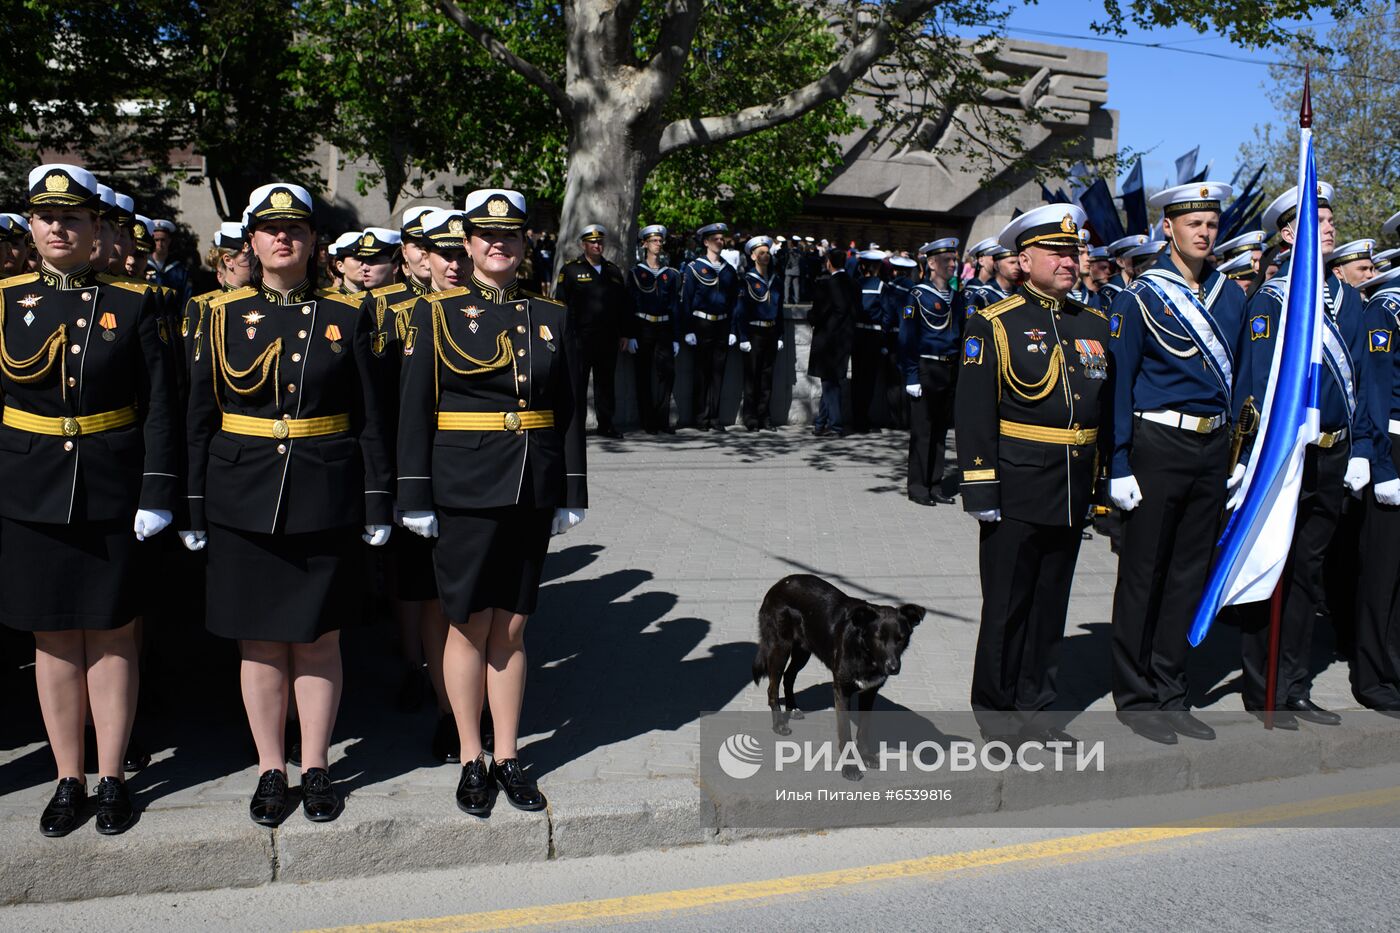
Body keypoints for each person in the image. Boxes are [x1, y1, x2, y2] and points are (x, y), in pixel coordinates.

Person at [182, 182, 393, 826]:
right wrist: (190, 506)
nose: (283, 238)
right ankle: (271, 767)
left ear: (312, 242)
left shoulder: (348, 316)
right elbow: (198, 417)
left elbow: (370, 422)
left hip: (325, 495)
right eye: (270, 230)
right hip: (240, 496)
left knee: (319, 641)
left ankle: (318, 763)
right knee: (261, 644)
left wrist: (378, 502)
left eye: (296, 230)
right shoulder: (216, 315)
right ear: (251, 242)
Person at [0, 163, 179, 835]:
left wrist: (157, 488)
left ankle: (111, 777)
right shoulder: (3, 299)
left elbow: (160, 406)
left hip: (111, 486)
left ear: (96, 228)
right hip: (27, 487)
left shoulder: (133, 302)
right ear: (31, 225)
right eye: (45, 216)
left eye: (71, 217)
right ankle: (66, 776)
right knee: (52, 637)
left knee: (109, 636)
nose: (56, 226)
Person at [396, 188, 587, 817]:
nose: (497, 244)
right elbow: (414, 413)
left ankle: (508, 754)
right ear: (468, 242)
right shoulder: (433, 314)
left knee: (513, 625)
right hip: (464, 488)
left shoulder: (551, 316)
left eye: (509, 234)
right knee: (467, 622)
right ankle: (470, 753)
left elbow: (565, 412)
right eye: (485, 235)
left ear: (525, 241)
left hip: (531, 485)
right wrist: (415, 494)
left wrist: (571, 490)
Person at [954, 204, 1112, 745]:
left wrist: (1105, 484)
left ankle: (1038, 709)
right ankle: (997, 716)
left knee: (1050, 606)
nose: (1070, 261)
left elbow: (1103, 410)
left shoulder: (1093, 324)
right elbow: (974, 411)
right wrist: (980, 484)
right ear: (1024, 259)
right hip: (1016, 484)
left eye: (1074, 252)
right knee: (1007, 606)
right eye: (1057, 253)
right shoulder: (995, 322)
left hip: (1071, 485)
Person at [1105, 183, 1247, 745]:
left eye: (1212, 223)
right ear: (1170, 228)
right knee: (1144, 574)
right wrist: (1116, 461)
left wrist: (1238, 452)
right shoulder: (1140, 297)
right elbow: (1119, 385)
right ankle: (1135, 696)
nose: (1205, 233)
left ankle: (1170, 688)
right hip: (1156, 445)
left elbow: (1244, 379)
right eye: (1194, 223)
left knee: (1189, 575)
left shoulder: (1231, 297)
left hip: (1212, 449)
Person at [1236, 182, 1369, 727]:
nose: (1331, 227)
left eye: (1333, 219)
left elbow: (1364, 381)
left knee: (1309, 576)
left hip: (1333, 456)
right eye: (1318, 219)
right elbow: (1256, 382)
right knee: (1273, 567)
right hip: (1286, 457)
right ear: (1289, 234)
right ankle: (1262, 687)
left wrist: (1360, 447)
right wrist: (1250, 456)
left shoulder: (1349, 301)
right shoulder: (1273, 300)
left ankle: (1292, 686)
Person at [1354, 261, 1400, 708]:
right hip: (1396, 445)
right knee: (1384, 571)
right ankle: (1372, 677)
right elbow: (1376, 392)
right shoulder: (1388, 305)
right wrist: (1383, 465)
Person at [901, 239, 963, 506]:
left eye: (954, 259)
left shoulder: (956, 297)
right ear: (932, 264)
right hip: (926, 368)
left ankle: (936, 484)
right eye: (947, 260)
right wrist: (912, 376)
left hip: (948, 368)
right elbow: (906, 339)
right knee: (923, 431)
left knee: (940, 431)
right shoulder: (917, 296)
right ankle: (918, 487)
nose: (953, 264)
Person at [554, 224, 627, 438]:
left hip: (607, 337)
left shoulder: (613, 270)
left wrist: (625, 333)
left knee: (606, 383)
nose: (597, 245)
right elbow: (561, 303)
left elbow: (622, 305)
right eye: (593, 242)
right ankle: (576, 426)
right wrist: (561, 335)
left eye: (600, 241)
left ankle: (606, 424)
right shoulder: (571, 270)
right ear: (583, 244)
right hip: (580, 338)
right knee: (578, 383)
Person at [680, 223, 739, 431]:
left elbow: (734, 304)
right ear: (706, 242)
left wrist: (732, 330)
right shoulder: (694, 268)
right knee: (701, 372)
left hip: (722, 324)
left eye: (722, 238)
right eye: (715, 238)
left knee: (717, 373)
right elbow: (686, 300)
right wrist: (687, 329)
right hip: (701, 324)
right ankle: (700, 417)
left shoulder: (729, 270)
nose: (720, 242)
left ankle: (714, 417)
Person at [626, 224, 681, 434]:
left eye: (660, 241)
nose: (658, 244)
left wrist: (676, 336)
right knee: (643, 375)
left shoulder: (671, 274)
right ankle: (648, 421)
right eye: (654, 241)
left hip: (664, 327)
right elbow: (629, 305)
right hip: (643, 326)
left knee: (667, 374)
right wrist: (630, 334)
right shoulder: (636, 273)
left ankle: (662, 419)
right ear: (645, 244)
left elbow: (675, 305)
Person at [735, 235, 784, 431]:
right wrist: (743, 337)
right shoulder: (746, 280)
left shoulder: (776, 280)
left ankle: (765, 417)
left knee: (767, 378)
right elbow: (740, 311)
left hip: (771, 331)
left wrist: (780, 335)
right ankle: (751, 418)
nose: (766, 257)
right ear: (753, 256)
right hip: (754, 333)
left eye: (767, 253)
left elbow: (779, 311)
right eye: (761, 253)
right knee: (752, 379)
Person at [808, 245, 857, 437]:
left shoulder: (827, 284)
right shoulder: (853, 284)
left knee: (829, 384)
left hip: (828, 341)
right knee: (830, 382)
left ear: (829, 263)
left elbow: (822, 311)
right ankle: (821, 423)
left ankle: (836, 425)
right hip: (845, 340)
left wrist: (812, 317)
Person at [968, 242, 1022, 314]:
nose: (1017, 267)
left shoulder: (1020, 292)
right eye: (1011, 262)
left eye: (1019, 263)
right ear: (996, 265)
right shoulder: (982, 296)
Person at [356, 227, 401, 294]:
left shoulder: (415, 302)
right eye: (363, 260)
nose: (364, 268)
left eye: (373, 260)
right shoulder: (357, 302)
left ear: (395, 265)